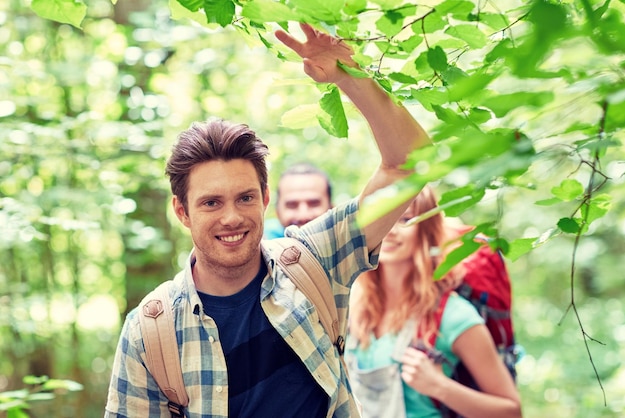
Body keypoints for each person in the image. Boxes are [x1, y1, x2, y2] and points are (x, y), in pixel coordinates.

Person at [104, 22, 432, 417]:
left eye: (245, 198)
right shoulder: (150, 331)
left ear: (265, 199)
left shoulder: (314, 260)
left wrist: (349, 76)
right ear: (182, 212)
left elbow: (410, 164)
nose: (231, 217)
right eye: (210, 203)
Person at [346, 186, 522, 418]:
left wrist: (440, 386)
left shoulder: (453, 315)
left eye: (406, 220)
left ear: (427, 231)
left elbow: (511, 411)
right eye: (382, 218)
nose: (390, 230)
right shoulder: (353, 303)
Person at [264, 162, 332, 239]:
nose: (303, 216)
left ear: (331, 209)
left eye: (313, 204)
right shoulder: (263, 239)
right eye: (292, 205)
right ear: (277, 212)